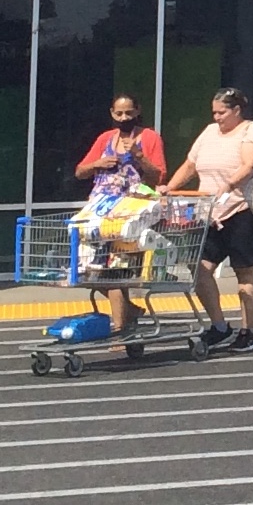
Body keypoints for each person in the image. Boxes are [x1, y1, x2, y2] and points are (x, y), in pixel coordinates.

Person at [166, 86, 253, 351]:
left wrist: (227, 186)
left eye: (222, 112)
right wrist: (169, 188)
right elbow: (190, 165)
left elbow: (249, 165)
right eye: (214, 112)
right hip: (212, 213)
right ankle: (219, 326)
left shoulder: (252, 130)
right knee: (200, 268)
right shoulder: (209, 132)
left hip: (244, 209)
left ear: (237, 110)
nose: (217, 117)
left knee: (245, 269)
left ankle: (249, 331)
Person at [72, 97, 166, 338]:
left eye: (128, 113)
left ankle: (119, 329)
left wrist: (138, 156)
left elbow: (158, 177)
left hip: (130, 215)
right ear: (112, 114)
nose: (124, 118)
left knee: (114, 273)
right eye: (119, 114)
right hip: (101, 213)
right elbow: (80, 171)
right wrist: (98, 163)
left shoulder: (149, 138)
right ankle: (129, 312)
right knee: (87, 272)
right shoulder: (105, 139)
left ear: (138, 111)